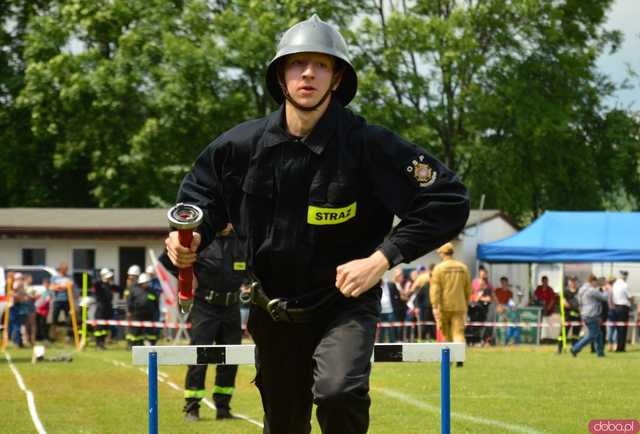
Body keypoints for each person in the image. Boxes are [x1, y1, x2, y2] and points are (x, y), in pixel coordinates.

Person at [164, 14, 469, 434]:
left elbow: (447, 199)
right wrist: (189, 238)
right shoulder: (239, 146)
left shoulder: (369, 145)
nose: (308, 73)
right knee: (285, 424)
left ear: (338, 77)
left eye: (322, 64)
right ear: (280, 75)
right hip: (273, 311)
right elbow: (200, 200)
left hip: (343, 304)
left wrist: (382, 259)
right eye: (297, 63)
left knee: (338, 392)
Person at [161, 224, 245, 422]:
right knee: (200, 357)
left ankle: (223, 408)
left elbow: (251, 267)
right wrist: (186, 278)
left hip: (232, 307)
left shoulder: (241, 240)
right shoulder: (201, 238)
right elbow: (167, 260)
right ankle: (192, 407)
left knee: (230, 358)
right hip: (205, 307)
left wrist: (249, 283)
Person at [429, 242, 472, 366]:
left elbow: (435, 290)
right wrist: (466, 301)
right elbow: (468, 288)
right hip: (460, 305)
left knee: (446, 334)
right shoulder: (463, 267)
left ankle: (448, 359)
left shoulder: (439, 268)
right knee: (458, 332)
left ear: (442, 253)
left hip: (444, 306)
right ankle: (460, 358)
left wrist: (434, 306)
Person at [571, 274, 609, 358]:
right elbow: (604, 298)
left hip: (584, 314)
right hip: (592, 314)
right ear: (592, 281)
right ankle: (575, 349)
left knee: (599, 334)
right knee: (592, 335)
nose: (596, 284)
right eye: (596, 282)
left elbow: (579, 302)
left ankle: (600, 353)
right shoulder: (591, 290)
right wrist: (606, 290)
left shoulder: (581, 289)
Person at [126, 272, 159, 348]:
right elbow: (129, 301)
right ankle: (133, 345)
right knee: (136, 331)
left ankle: (151, 345)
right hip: (137, 314)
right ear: (141, 282)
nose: (146, 284)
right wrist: (129, 311)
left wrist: (156, 312)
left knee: (150, 331)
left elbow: (156, 303)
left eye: (147, 282)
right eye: (145, 282)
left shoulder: (152, 291)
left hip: (149, 315)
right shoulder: (134, 289)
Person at [49, 262, 75, 342]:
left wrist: (60, 287)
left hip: (67, 300)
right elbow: (52, 287)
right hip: (57, 300)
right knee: (54, 319)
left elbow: (71, 285)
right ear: (61, 269)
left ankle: (69, 336)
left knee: (69, 319)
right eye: (65, 269)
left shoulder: (69, 277)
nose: (66, 271)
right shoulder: (54, 277)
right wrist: (63, 287)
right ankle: (53, 337)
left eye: (67, 269)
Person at [93, 268, 117, 349]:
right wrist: (101, 280)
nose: (110, 279)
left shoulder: (109, 285)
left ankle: (102, 343)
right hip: (101, 309)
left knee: (105, 328)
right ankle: (98, 344)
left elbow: (119, 288)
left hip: (108, 308)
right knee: (99, 328)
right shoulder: (99, 285)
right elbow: (95, 283)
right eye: (108, 277)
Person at [611, 270, 633, 352]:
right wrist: (632, 301)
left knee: (618, 328)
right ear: (625, 276)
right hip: (623, 308)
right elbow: (629, 297)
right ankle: (621, 348)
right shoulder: (624, 285)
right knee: (623, 329)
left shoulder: (615, 284)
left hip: (615, 308)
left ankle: (618, 347)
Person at [558, 276, 581, 353]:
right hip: (567, 316)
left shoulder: (579, 291)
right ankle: (559, 349)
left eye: (574, 281)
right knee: (563, 333)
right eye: (571, 281)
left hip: (577, 316)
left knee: (575, 334)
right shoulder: (565, 291)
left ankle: (574, 349)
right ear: (568, 282)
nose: (573, 283)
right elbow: (565, 303)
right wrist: (572, 305)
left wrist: (575, 305)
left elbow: (580, 302)